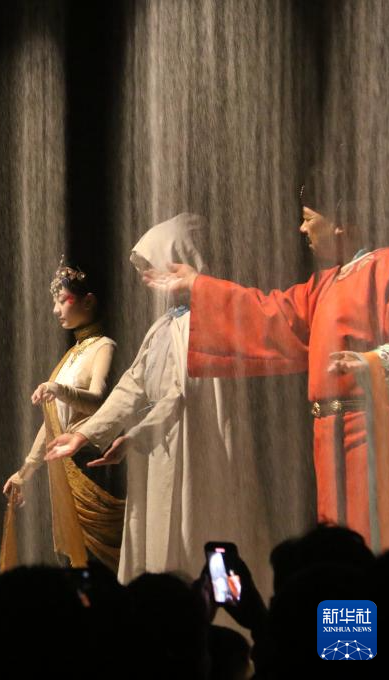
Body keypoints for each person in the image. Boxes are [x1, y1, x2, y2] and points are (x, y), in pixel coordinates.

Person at [150, 171, 389, 553]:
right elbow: (270, 315)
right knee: (337, 541)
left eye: (308, 218)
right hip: (327, 436)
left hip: (372, 431)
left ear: (340, 225)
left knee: (374, 532)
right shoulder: (323, 285)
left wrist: (371, 362)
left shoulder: (387, 267)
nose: (302, 229)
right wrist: (198, 285)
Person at [47, 214, 270, 588]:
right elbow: (133, 384)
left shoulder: (208, 321)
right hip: (163, 445)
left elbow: (179, 397)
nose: (144, 279)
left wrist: (136, 436)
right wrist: (86, 433)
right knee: (159, 535)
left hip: (196, 446)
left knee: (194, 527)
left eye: (152, 269)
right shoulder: (166, 324)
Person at [2, 260, 123, 570]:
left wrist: (58, 389)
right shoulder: (71, 355)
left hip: (90, 461)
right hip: (63, 465)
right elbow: (52, 423)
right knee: (71, 560)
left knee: (96, 561)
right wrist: (25, 472)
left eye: (62, 300)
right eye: (55, 302)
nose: (56, 309)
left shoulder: (104, 347)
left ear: (88, 301)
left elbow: (100, 403)